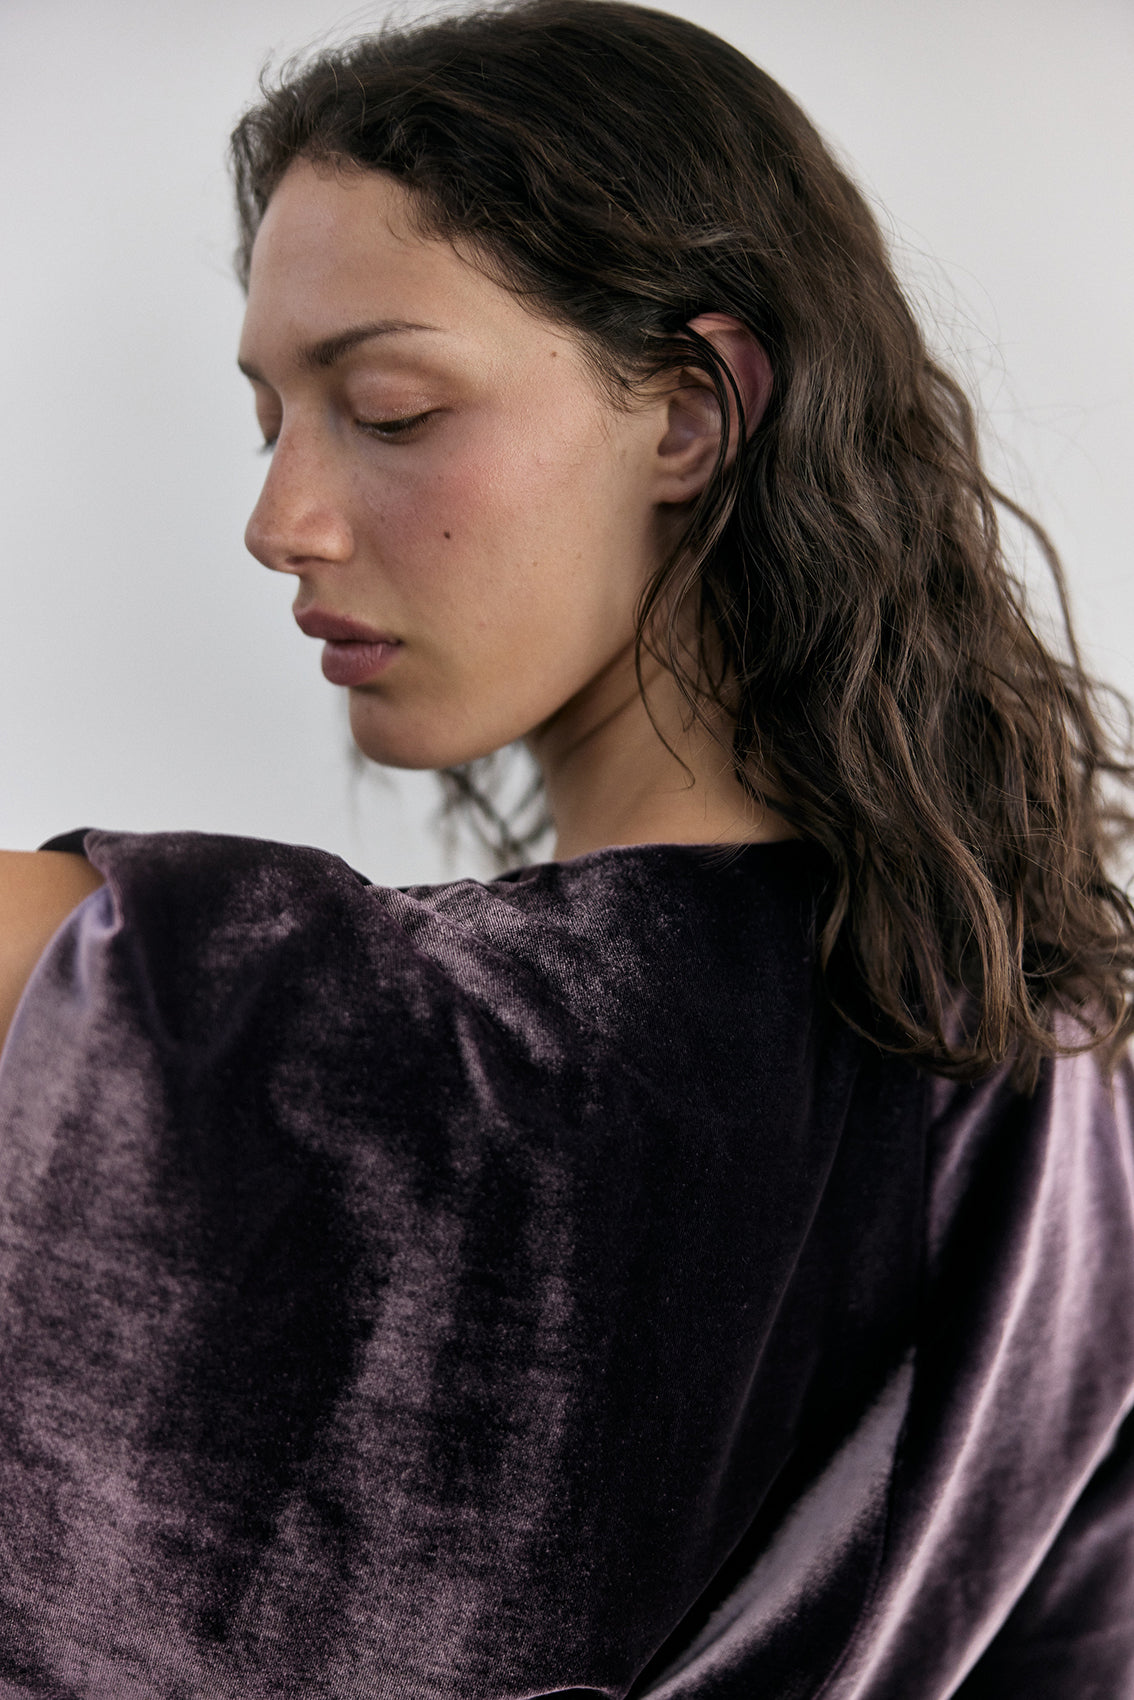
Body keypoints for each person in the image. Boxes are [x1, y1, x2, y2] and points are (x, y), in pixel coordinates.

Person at [0, 1, 1132, 1694]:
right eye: (271, 417)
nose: (279, 520)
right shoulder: (1054, 1081)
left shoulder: (288, 1030)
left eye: (388, 409)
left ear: (688, 416)